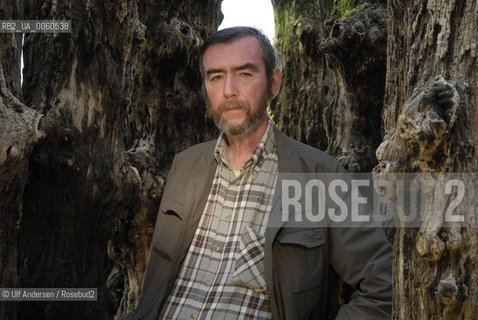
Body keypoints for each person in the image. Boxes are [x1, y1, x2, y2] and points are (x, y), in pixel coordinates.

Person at [122, 26, 392, 320]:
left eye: (245, 74)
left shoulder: (319, 176)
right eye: (216, 77)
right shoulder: (185, 165)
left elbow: (382, 287)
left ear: (274, 83)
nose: (229, 90)